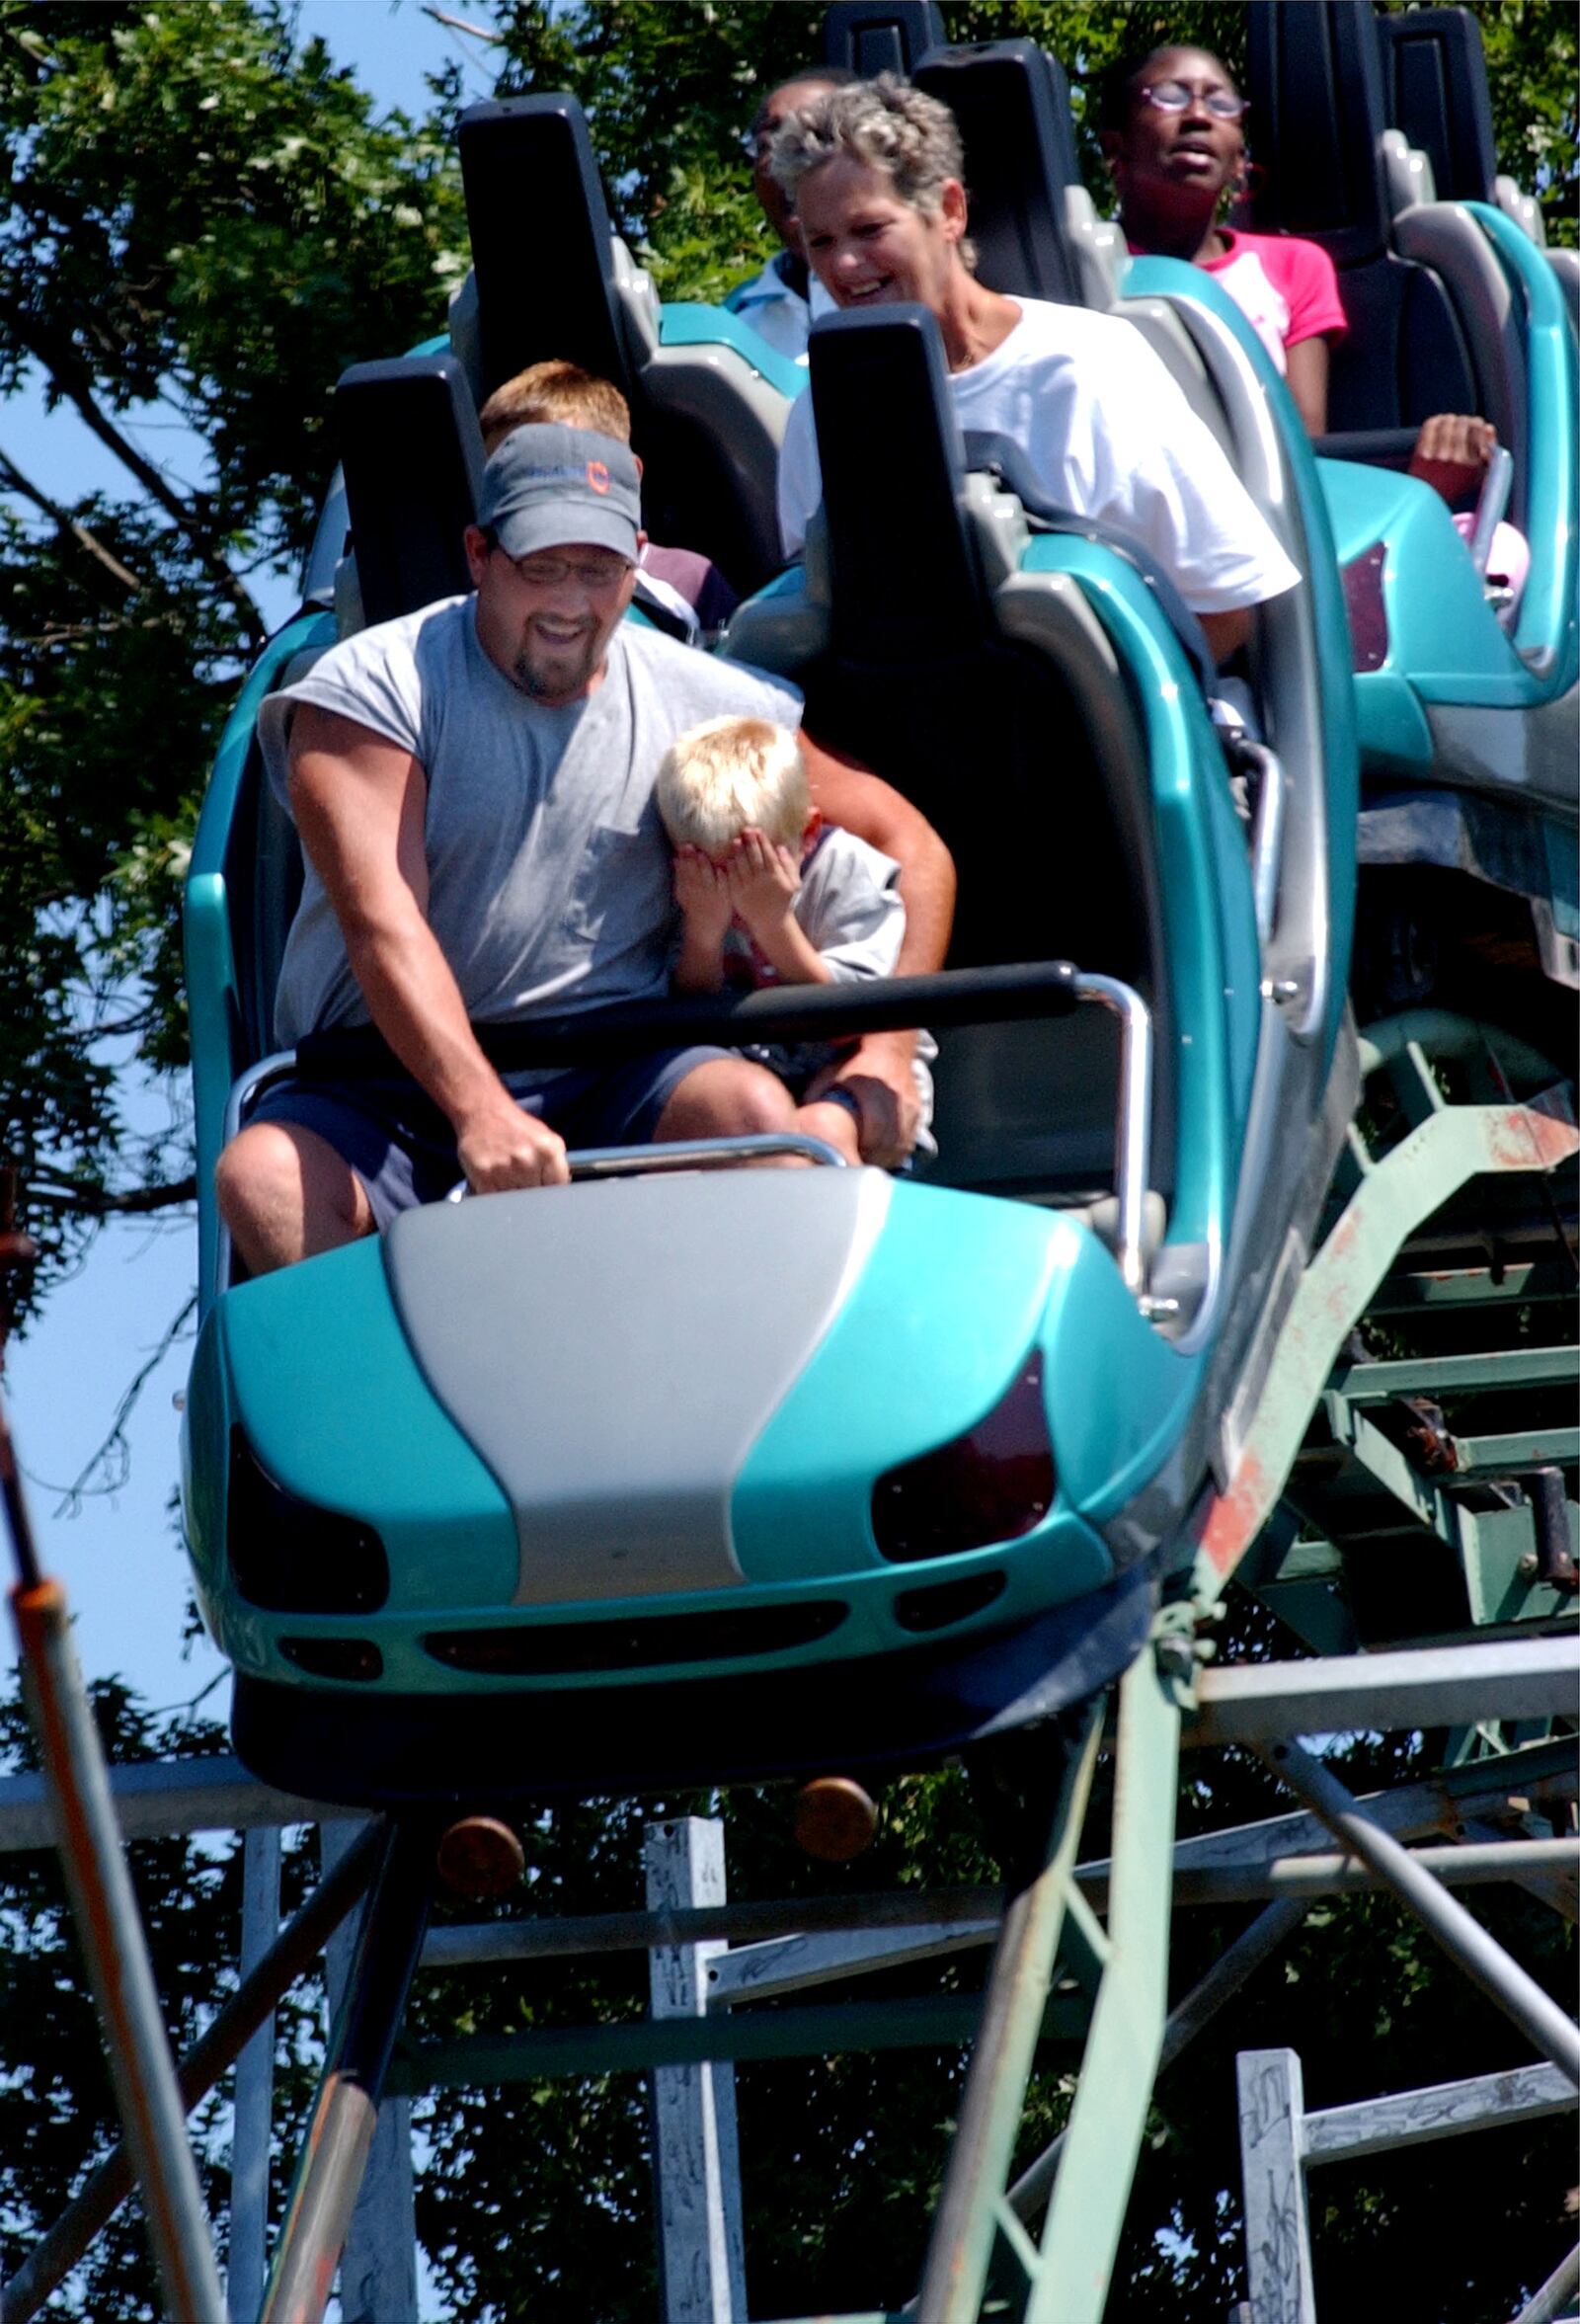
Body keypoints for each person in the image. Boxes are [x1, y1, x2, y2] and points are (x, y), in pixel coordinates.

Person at [215, 424, 953, 1274]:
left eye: (598, 569)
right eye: (542, 567)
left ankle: (750, 1393)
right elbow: (387, 923)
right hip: (388, 1084)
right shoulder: (373, 689)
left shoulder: (701, 694)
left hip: (618, 1066)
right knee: (264, 1177)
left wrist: (888, 1052)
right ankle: (375, 1401)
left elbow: (913, 845)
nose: (571, 602)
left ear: (638, 560)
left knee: (756, 1116)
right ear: (479, 554)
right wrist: (480, 1110)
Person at [769, 74, 1302, 669]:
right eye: (820, 240)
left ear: (948, 211)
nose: (843, 263)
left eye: (869, 230)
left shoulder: (1085, 365)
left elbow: (1226, 603)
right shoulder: (818, 416)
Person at [1097, 43, 1510, 525]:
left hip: (1257, 512)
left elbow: (1301, 442)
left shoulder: (1293, 266)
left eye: (1220, 103)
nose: (1198, 116)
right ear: (1114, 147)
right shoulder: (1084, 272)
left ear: (1238, 163)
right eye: (1169, 96)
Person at [656, 712, 935, 1163]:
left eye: (754, 865)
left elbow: (856, 1018)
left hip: (853, 1071)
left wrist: (774, 925)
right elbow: (688, 1012)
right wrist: (703, 933)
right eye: (715, 872)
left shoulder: (848, 874)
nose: (734, 891)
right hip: (747, 1075)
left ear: (806, 835)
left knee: (818, 1130)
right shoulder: (689, 890)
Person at [477, 359, 739, 640]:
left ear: (632, 472)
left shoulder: (691, 582)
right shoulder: (491, 576)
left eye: (567, 465)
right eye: (511, 473)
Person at [725, 66, 854, 363]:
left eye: (817, 137)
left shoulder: (914, 292)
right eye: (769, 143)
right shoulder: (731, 328)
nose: (790, 162)